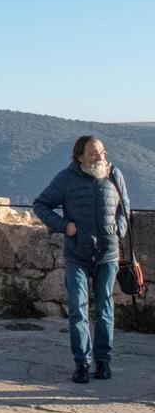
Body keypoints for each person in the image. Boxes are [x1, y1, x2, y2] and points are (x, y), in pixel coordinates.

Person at [33, 135, 130, 383]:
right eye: (94, 152)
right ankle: (82, 364)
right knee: (78, 309)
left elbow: (125, 207)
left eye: (102, 151)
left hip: (108, 254)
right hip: (77, 254)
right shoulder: (66, 179)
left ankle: (103, 362)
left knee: (106, 309)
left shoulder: (113, 175)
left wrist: (118, 229)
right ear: (80, 156)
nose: (101, 156)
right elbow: (41, 205)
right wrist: (65, 226)